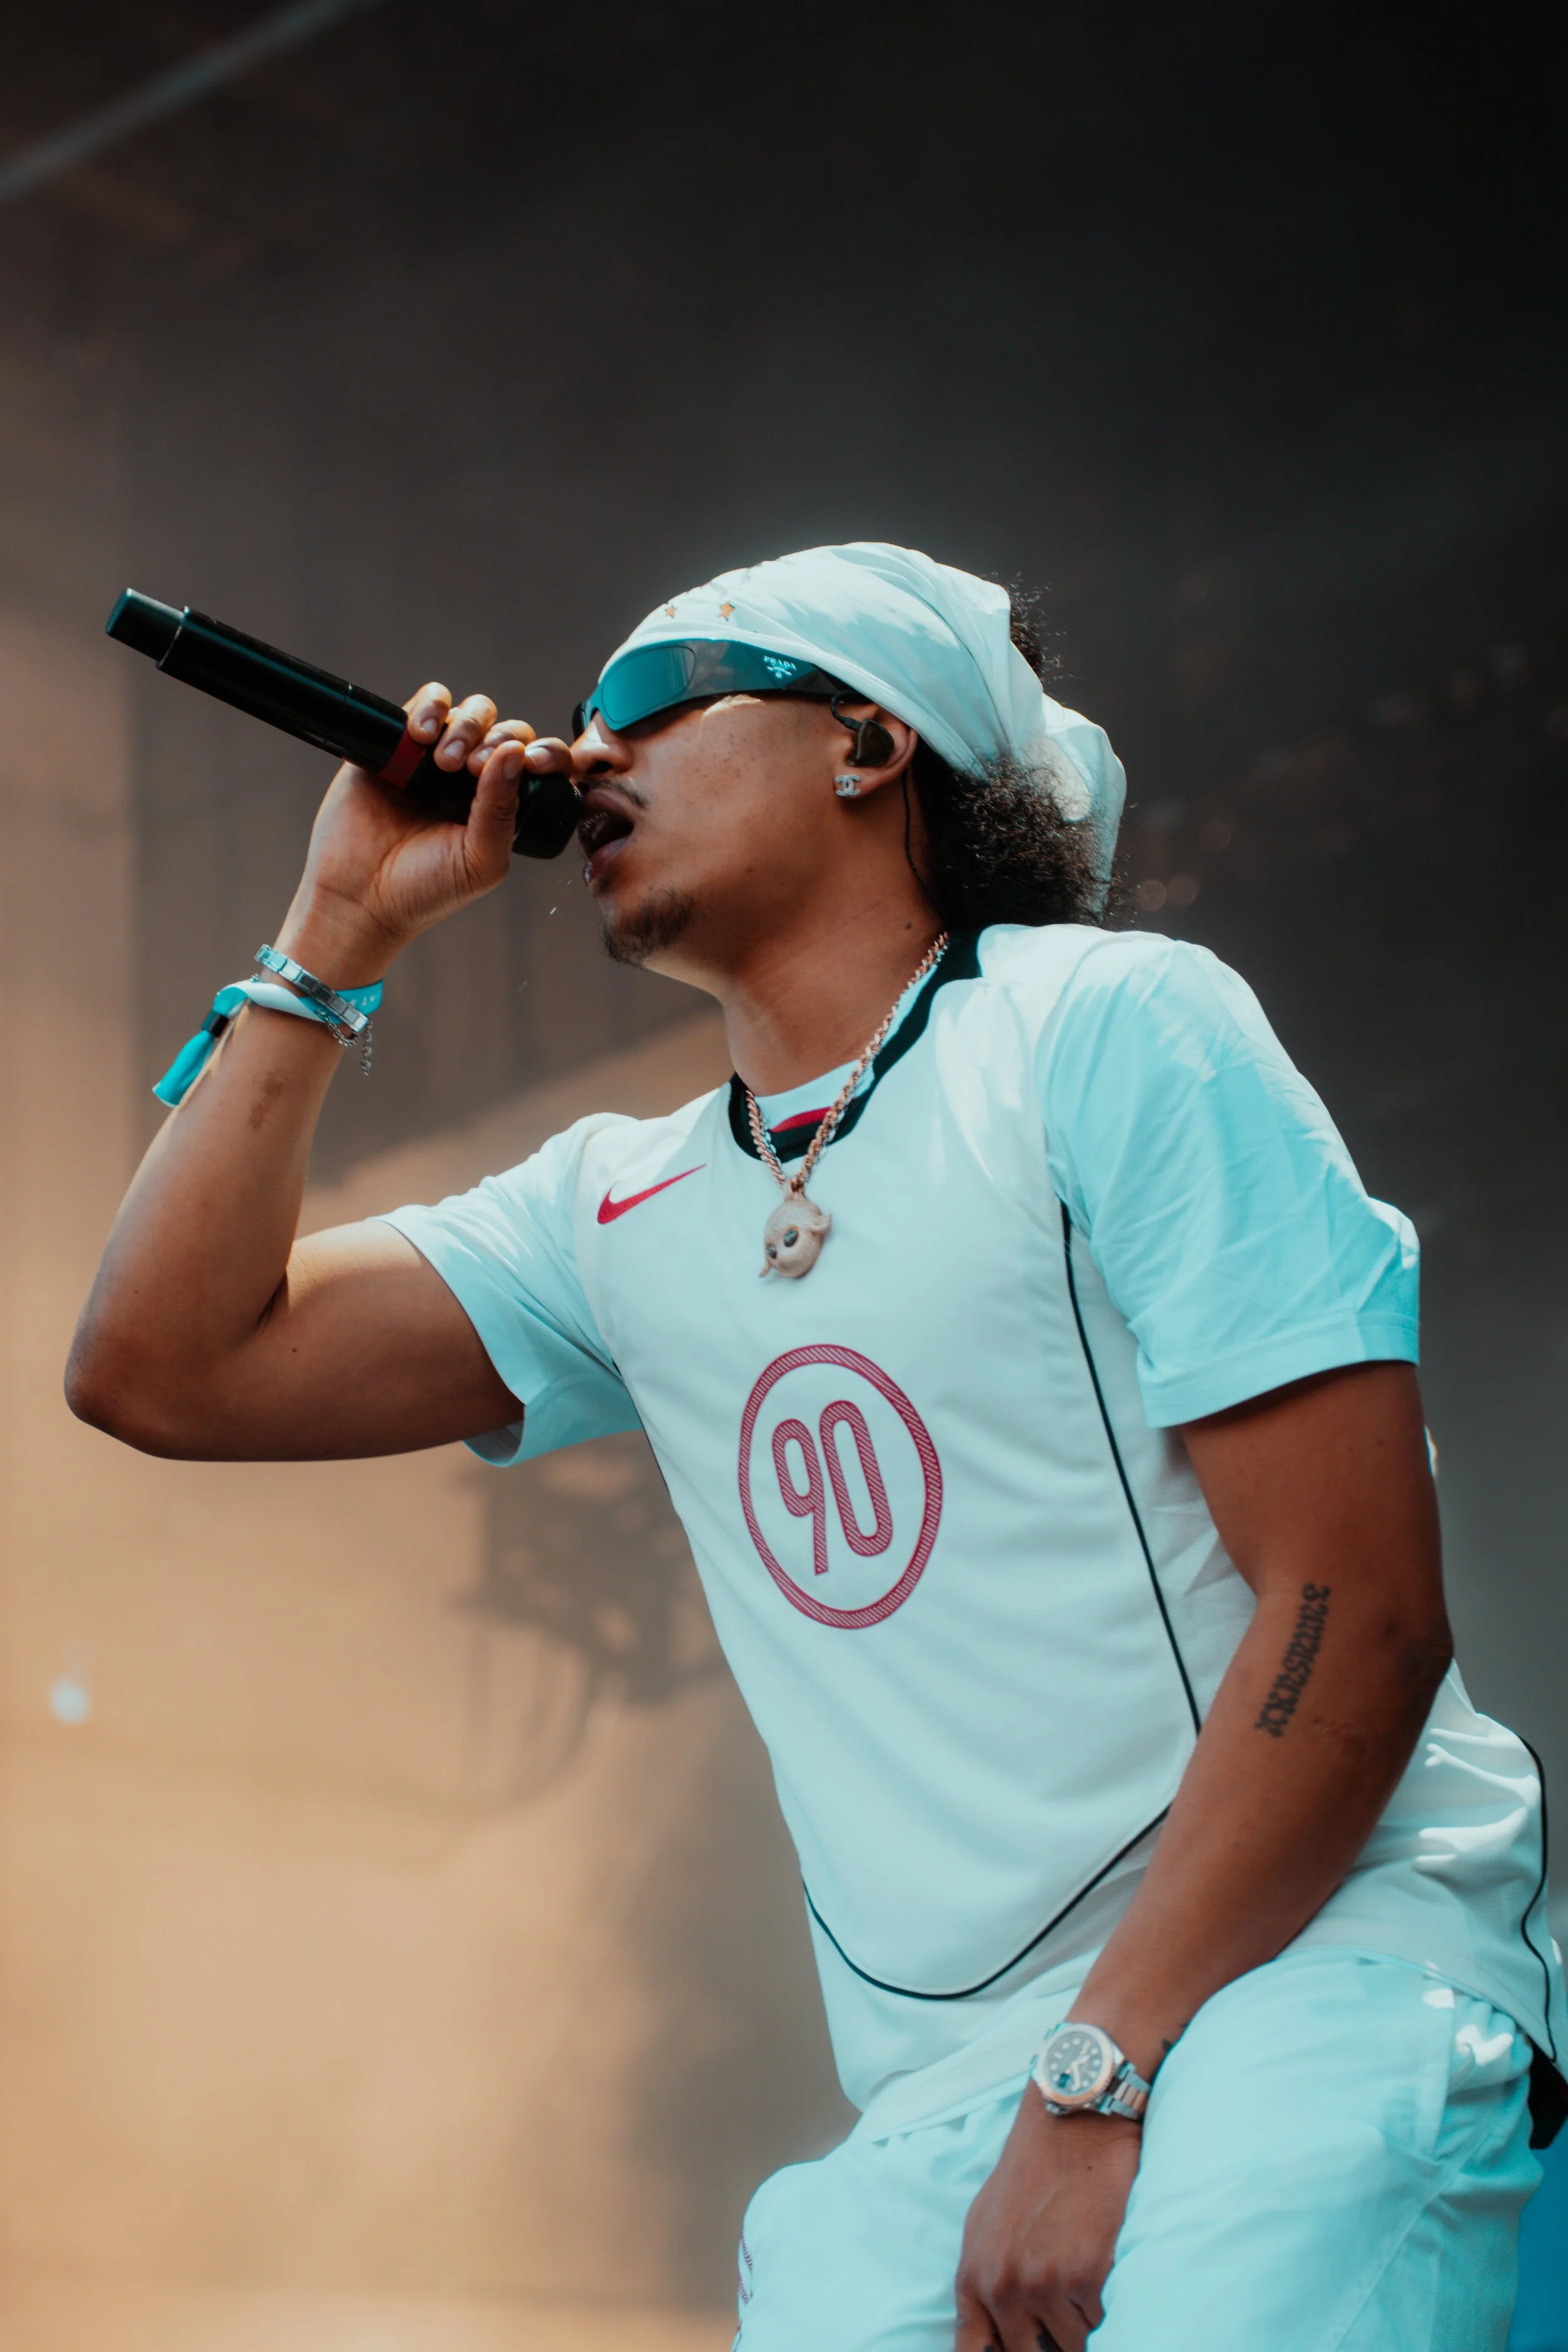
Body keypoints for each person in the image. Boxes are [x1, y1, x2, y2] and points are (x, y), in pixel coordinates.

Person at [68, 543, 1565, 2351]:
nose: (576, 749)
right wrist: (336, 934)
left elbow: (1357, 1601)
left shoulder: (1102, 1030)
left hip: (1293, 1985)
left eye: (648, 703)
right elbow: (164, 1364)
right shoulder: (617, 1204)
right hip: (936, 2105)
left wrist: (1097, 2077)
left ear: (866, 739)